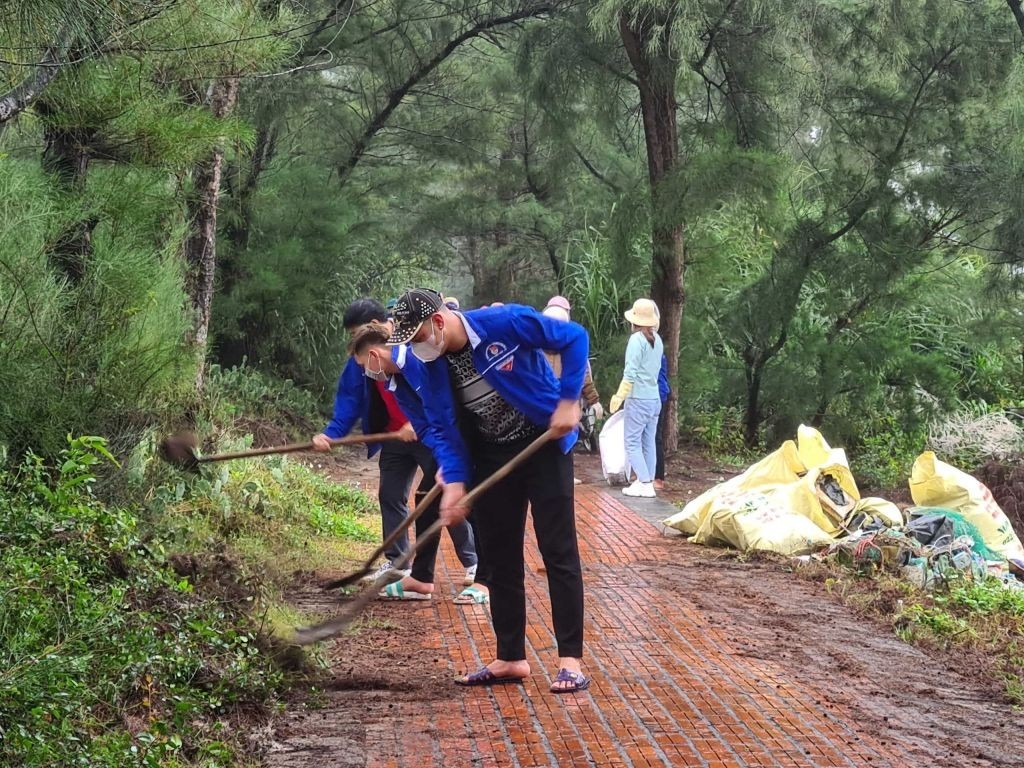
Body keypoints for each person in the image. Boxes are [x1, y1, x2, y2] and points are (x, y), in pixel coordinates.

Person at [387, 288, 591, 693]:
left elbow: (575, 338)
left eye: (416, 338)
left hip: (543, 443)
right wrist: (456, 480)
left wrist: (569, 400)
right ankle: (511, 657)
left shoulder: (504, 322)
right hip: (492, 458)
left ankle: (570, 660)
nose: (414, 348)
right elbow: (443, 428)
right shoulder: (431, 368)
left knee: (558, 550)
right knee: (499, 557)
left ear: (438, 322)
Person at [310, 298, 476, 587]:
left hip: (430, 435)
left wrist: (420, 424)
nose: (354, 339)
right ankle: (399, 564)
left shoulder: (413, 346)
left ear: (374, 326)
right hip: (395, 436)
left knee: (441, 494)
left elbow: (438, 395)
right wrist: (331, 434)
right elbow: (349, 399)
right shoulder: (362, 359)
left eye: (356, 332)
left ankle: (474, 562)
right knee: (391, 495)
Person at [346, 322, 485, 604]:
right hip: (444, 441)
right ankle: (422, 579)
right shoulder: (395, 381)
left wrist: (453, 459)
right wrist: (444, 457)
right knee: (426, 501)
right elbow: (425, 424)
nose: (366, 373)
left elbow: (449, 408)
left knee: (468, 504)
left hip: (469, 434)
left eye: (364, 366)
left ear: (374, 355)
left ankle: (485, 578)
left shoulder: (416, 361)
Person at [609, 298, 664, 498]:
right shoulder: (657, 340)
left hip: (638, 398)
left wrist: (619, 396)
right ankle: (645, 480)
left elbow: (630, 373)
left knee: (632, 441)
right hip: (654, 398)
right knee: (648, 441)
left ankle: (644, 482)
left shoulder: (636, 340)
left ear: (635, 321)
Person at [654, 353, 671, 491]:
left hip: (657, 395)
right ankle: (647, 473)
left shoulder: (655, 350)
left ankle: (658, 477)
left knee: (655, 437)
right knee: (647, 437)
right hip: (653, 395)